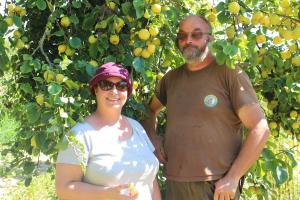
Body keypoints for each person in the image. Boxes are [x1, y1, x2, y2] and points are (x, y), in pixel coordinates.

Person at [142, 15, 270, 200]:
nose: (188, 41)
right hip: (174, 184)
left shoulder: (229, 73)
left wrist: (233, 178)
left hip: (217, 187)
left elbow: (260, 127)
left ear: (210, 38)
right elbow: (149, 109)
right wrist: (153, 138)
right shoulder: (170, 79)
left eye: (196, 35)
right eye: (182, 36)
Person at [56, 62, 161, 200]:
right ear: (95, 89)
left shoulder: (136, 127)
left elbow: (150, 180)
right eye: (106, 85)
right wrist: (108, 194)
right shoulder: (80, 135)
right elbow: (63, 189)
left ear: (127, 92)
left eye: (121, 86)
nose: (114, 91)